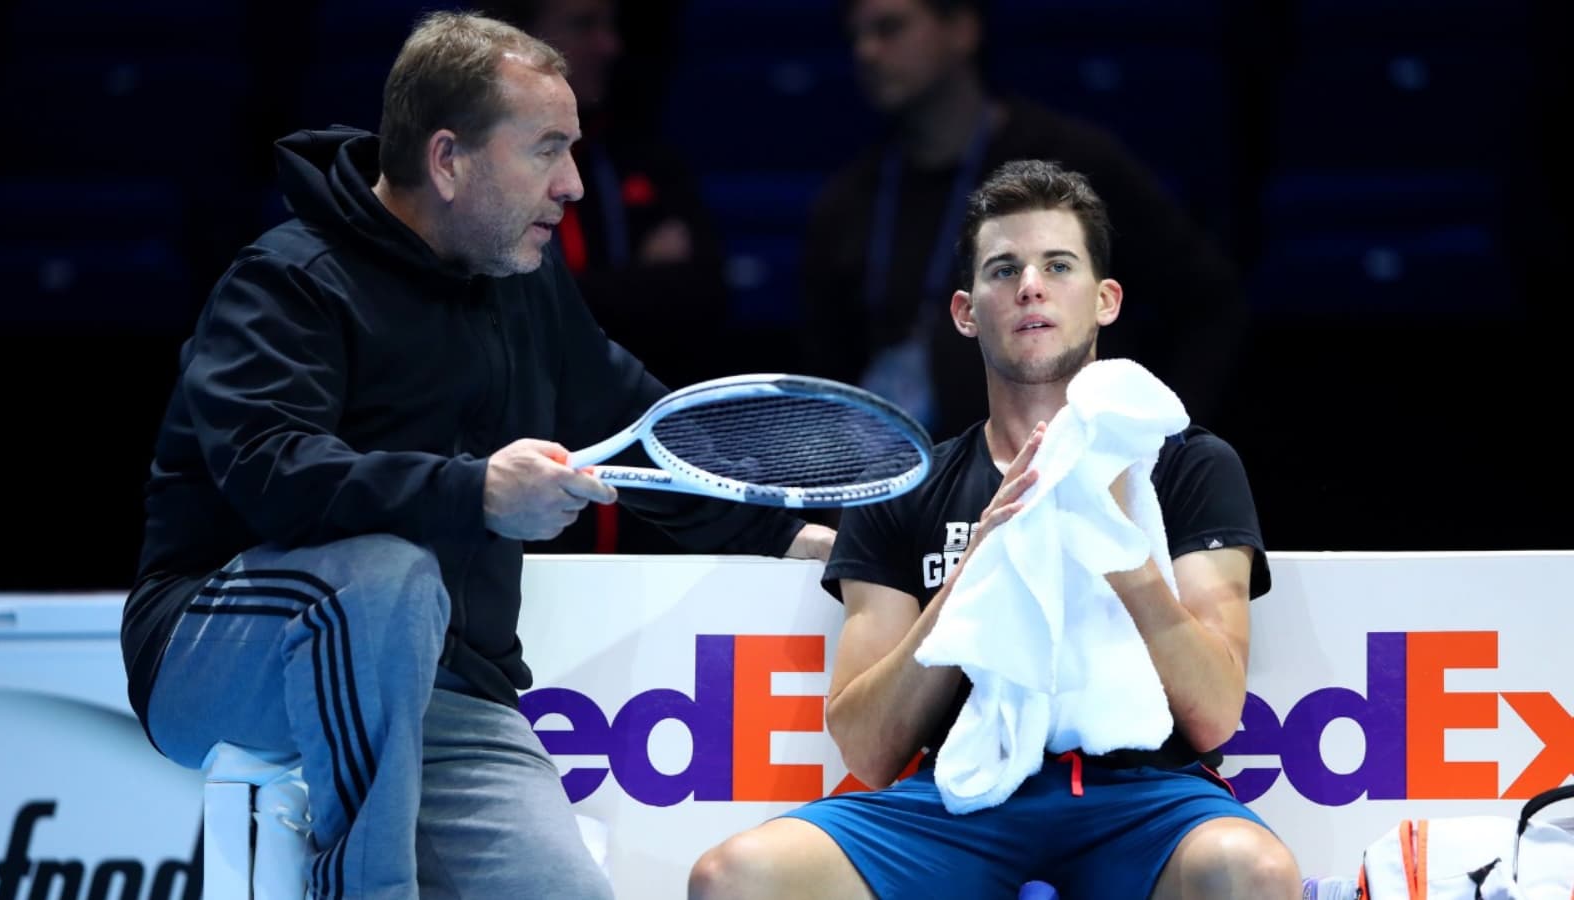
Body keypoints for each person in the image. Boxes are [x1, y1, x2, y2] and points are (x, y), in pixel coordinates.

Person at [118, 13, 831, 898]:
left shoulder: (527, 290)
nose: (572, 184)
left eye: (574, 151)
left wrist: (788, 540)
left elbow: (641, 427)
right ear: (448, 160)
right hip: (220, 654)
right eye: (546, 150)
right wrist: (476, 494)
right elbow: (270, 473)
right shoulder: (289, 280)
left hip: (448, 693)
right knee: (390, 576)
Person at [690, 160, 1300, 899]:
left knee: (1253, 869)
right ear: (965, 311)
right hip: (959, 801)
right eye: (1004, 269)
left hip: (1142, 798)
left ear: (1106, 300)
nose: (1031, 286)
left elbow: (1215, 714)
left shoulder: (1186, 466)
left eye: (1058, 265)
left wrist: (1114, 538)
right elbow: (868, 745)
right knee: (735, 877)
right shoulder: (906, 489)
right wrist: (981, 566)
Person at [799, 0, 1248, 443]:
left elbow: (1207, 300)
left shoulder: (1075, 162)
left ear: (961, 28)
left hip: (1070, 473)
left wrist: (1164, 440)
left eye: (889, 28)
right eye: (856, 36)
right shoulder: (848, 202)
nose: (867, 52)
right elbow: (825, 371)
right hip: (912, 486)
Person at [489, 0, 742, 554]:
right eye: (582, 24)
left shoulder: (645, 158)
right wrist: (631, 283)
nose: (610, 45)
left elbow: (697, 298)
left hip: (636, 502)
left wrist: (786, 535)